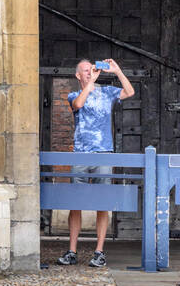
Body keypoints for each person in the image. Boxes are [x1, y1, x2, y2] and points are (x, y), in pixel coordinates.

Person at [57, 56, 135, 268]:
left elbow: (130, 92)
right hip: (81, 153)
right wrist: (90, 85)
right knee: (76, 204)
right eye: (85, 70)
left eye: (91, 69)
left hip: (103, 153)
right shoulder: (75, 94)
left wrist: (117, 71)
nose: (89, 72)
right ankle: (72, 250)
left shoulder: (107, 92)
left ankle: (99, 251)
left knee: (103, 203)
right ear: (77, 75)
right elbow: (78, 104)